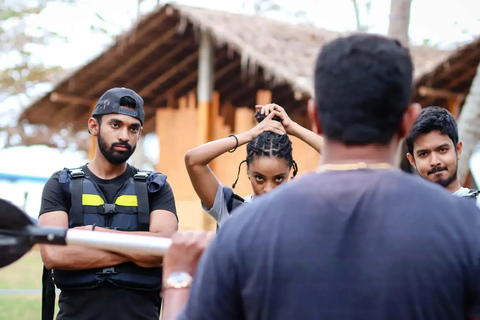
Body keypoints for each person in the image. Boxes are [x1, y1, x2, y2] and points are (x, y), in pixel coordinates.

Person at [160, 34, 480, 320]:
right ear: (408, 121)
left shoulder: (243, 230)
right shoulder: (465, 225)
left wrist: (178, 278)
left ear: (316, 118)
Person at [38, 87, 178, 320]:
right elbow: (53, 254)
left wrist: (91, 235)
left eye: (133, 128)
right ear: (94, 126)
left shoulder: (156, 187)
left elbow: (166, 249)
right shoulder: (60, 184)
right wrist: (140, 249)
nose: (125, 135)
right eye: (116, 125)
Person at [184, 103, 323, 227]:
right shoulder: (230, 208)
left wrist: (293, 127)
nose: (268, 189)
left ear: (290, 171)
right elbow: (193, 160)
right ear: (248, 171)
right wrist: (250, 134)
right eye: (260, 178)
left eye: (278, 179)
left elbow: (344, 161)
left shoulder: (302, 214)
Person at [406, 106, 480, 204]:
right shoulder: (407, 214)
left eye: (442, 150)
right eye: (423, 154)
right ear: (412, 160)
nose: (435, 162)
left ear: (458, 150)